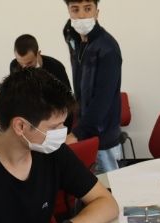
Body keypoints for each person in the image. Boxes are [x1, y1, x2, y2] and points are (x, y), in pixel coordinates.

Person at [0, 68, 119, 223]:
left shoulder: (50, 151)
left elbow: (106, 202)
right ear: (21, 126)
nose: (62, 132)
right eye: (54, 126)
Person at [63, 0, 123, 173]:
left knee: (110, 185)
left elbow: (103, 99)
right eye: (75, 9)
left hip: (103, 133)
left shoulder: (107, 48)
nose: (81, 15)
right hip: (85, 126)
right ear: (69, 12)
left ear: (97, 12)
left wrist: (77, 133)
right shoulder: (74, 39)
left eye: (88, 9)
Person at [10, 34, 73, 130]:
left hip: (56, 119)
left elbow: (67, 102)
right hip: (30, 120)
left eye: (29, 63)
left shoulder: (56, 67)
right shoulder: (15, 66)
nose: (24, 67)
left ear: (38, 54)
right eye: (20, 63)